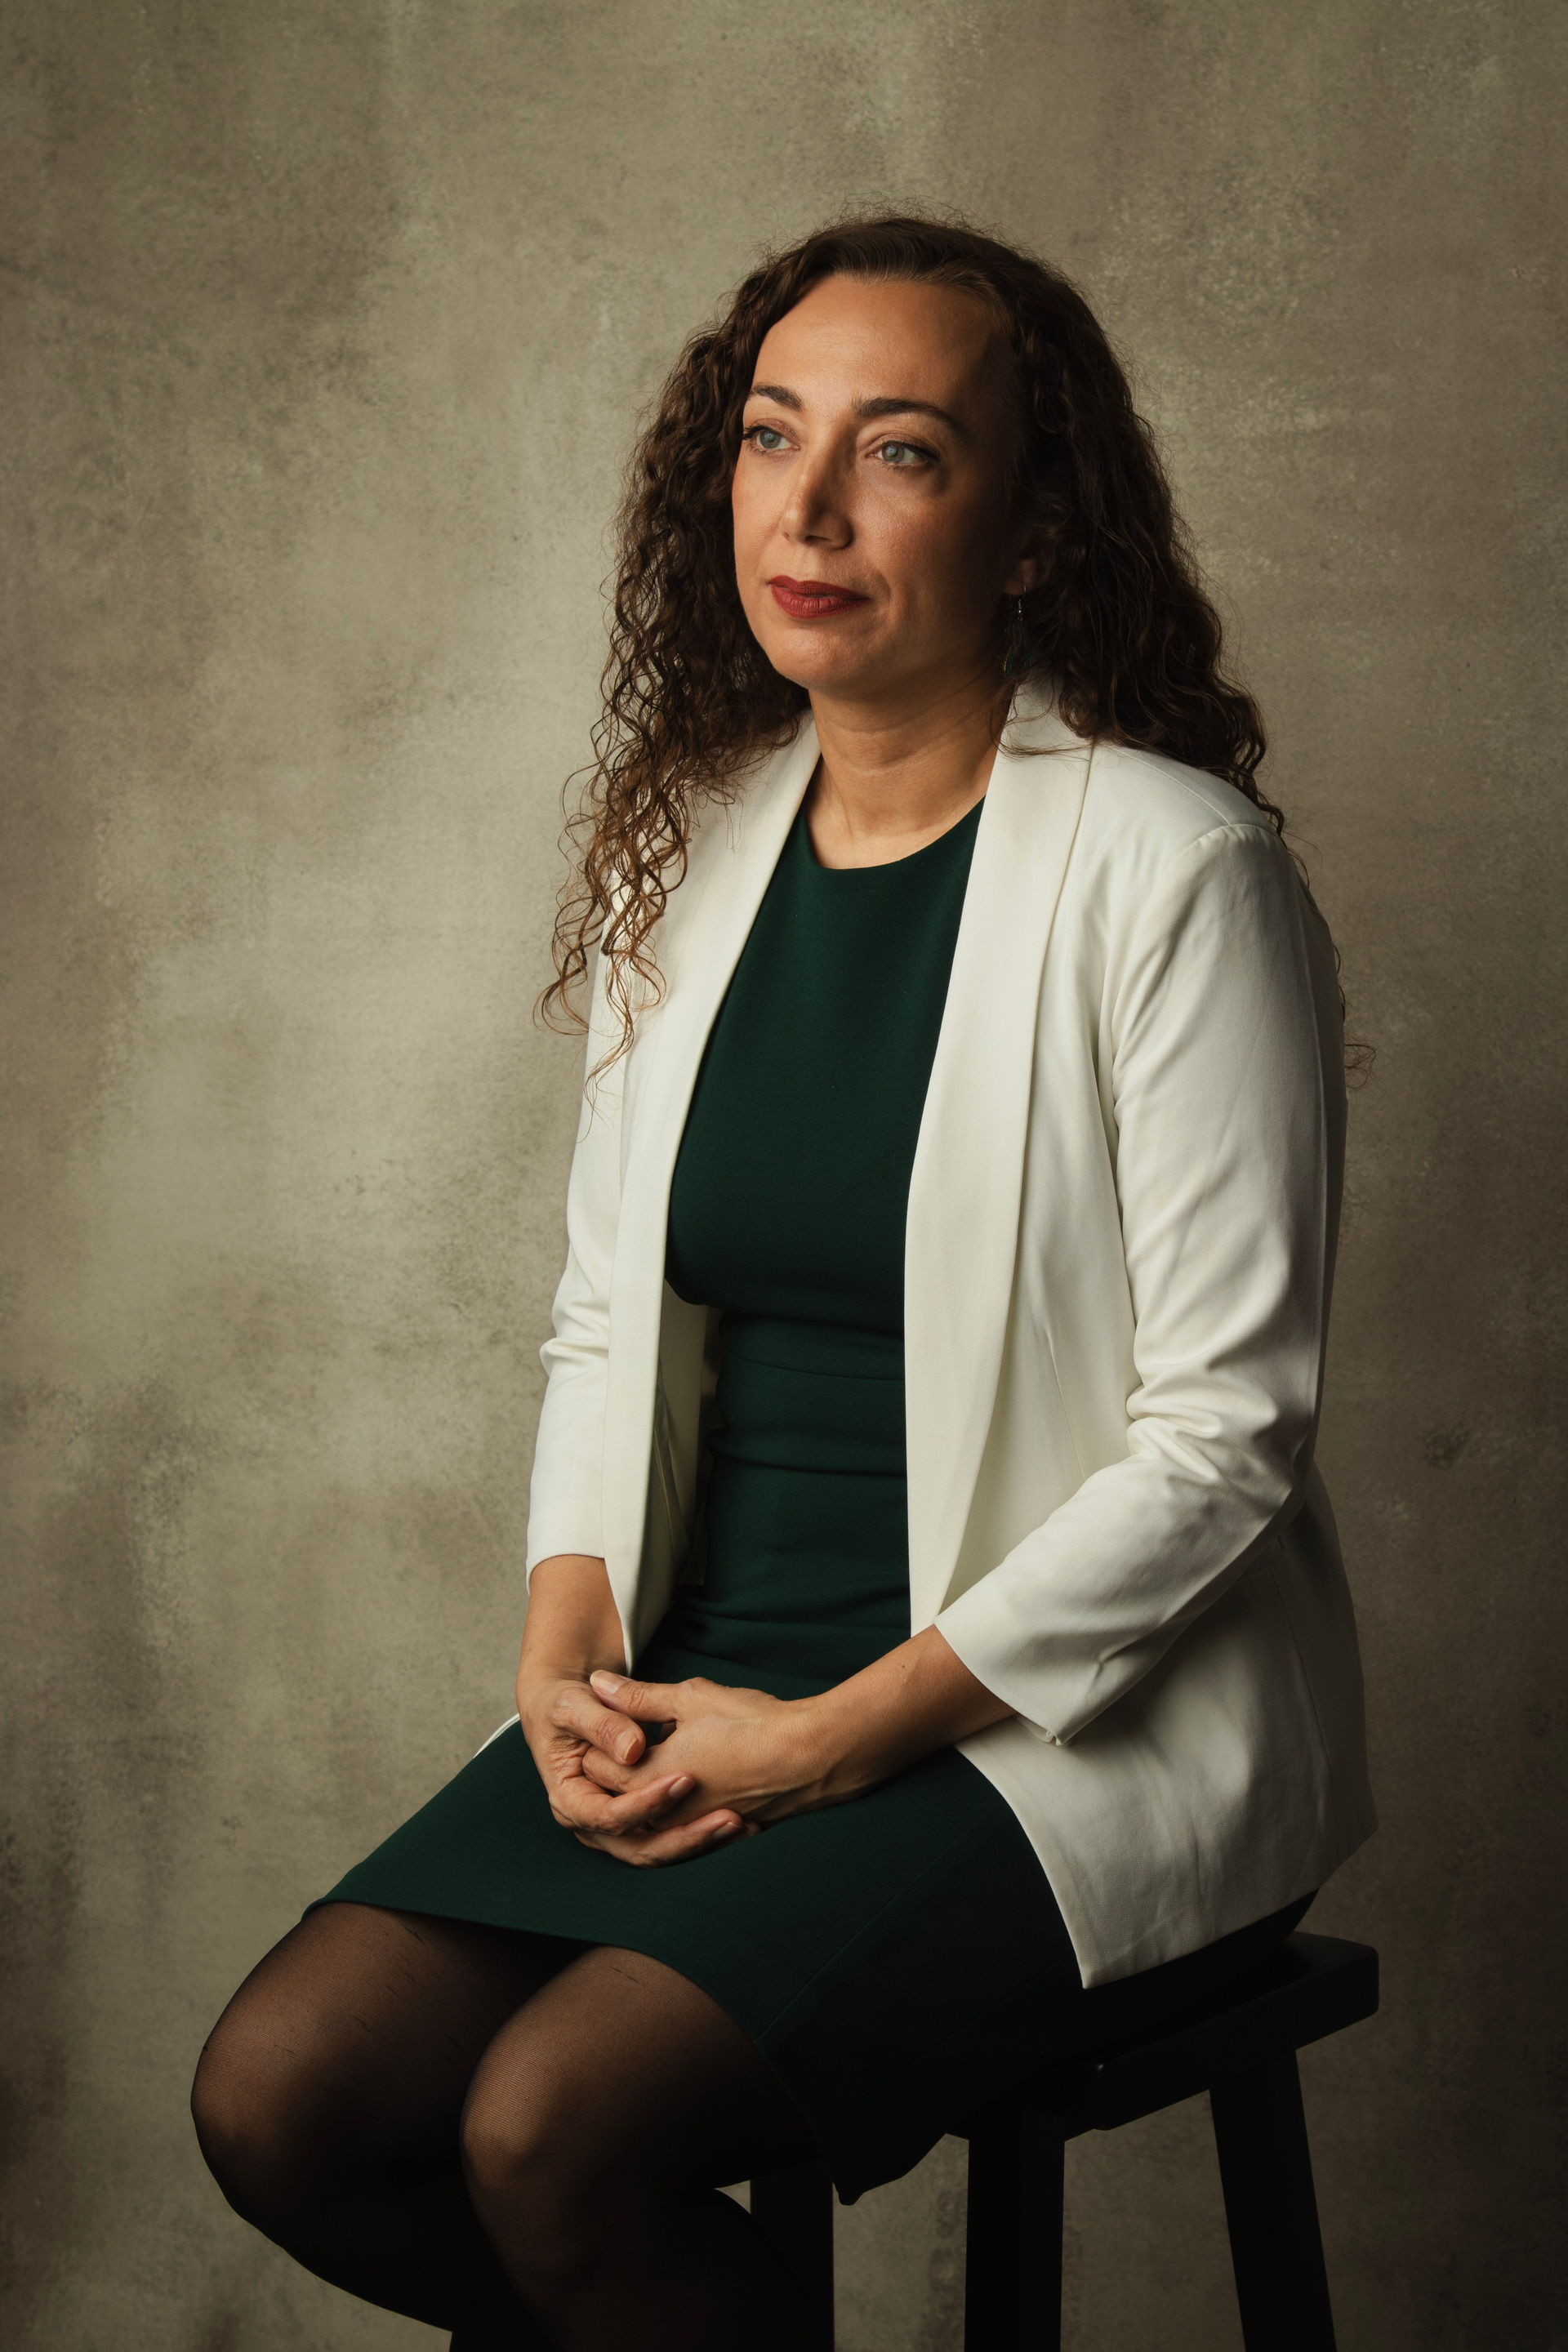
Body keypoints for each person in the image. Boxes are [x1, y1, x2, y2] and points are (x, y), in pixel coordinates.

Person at [190, 215, 1375, 2352]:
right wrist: (566, 1641)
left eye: (900, 451)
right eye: (770, 436)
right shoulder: (698, 849)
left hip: (1048, 1721)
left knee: (551, 2134)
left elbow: (1227, 1439)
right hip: (713, 1665)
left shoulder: (1176, 869)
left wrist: (833, 1742)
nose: (808, 510)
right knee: (286, 2100)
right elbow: (605, 1320)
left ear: (1034, 533)